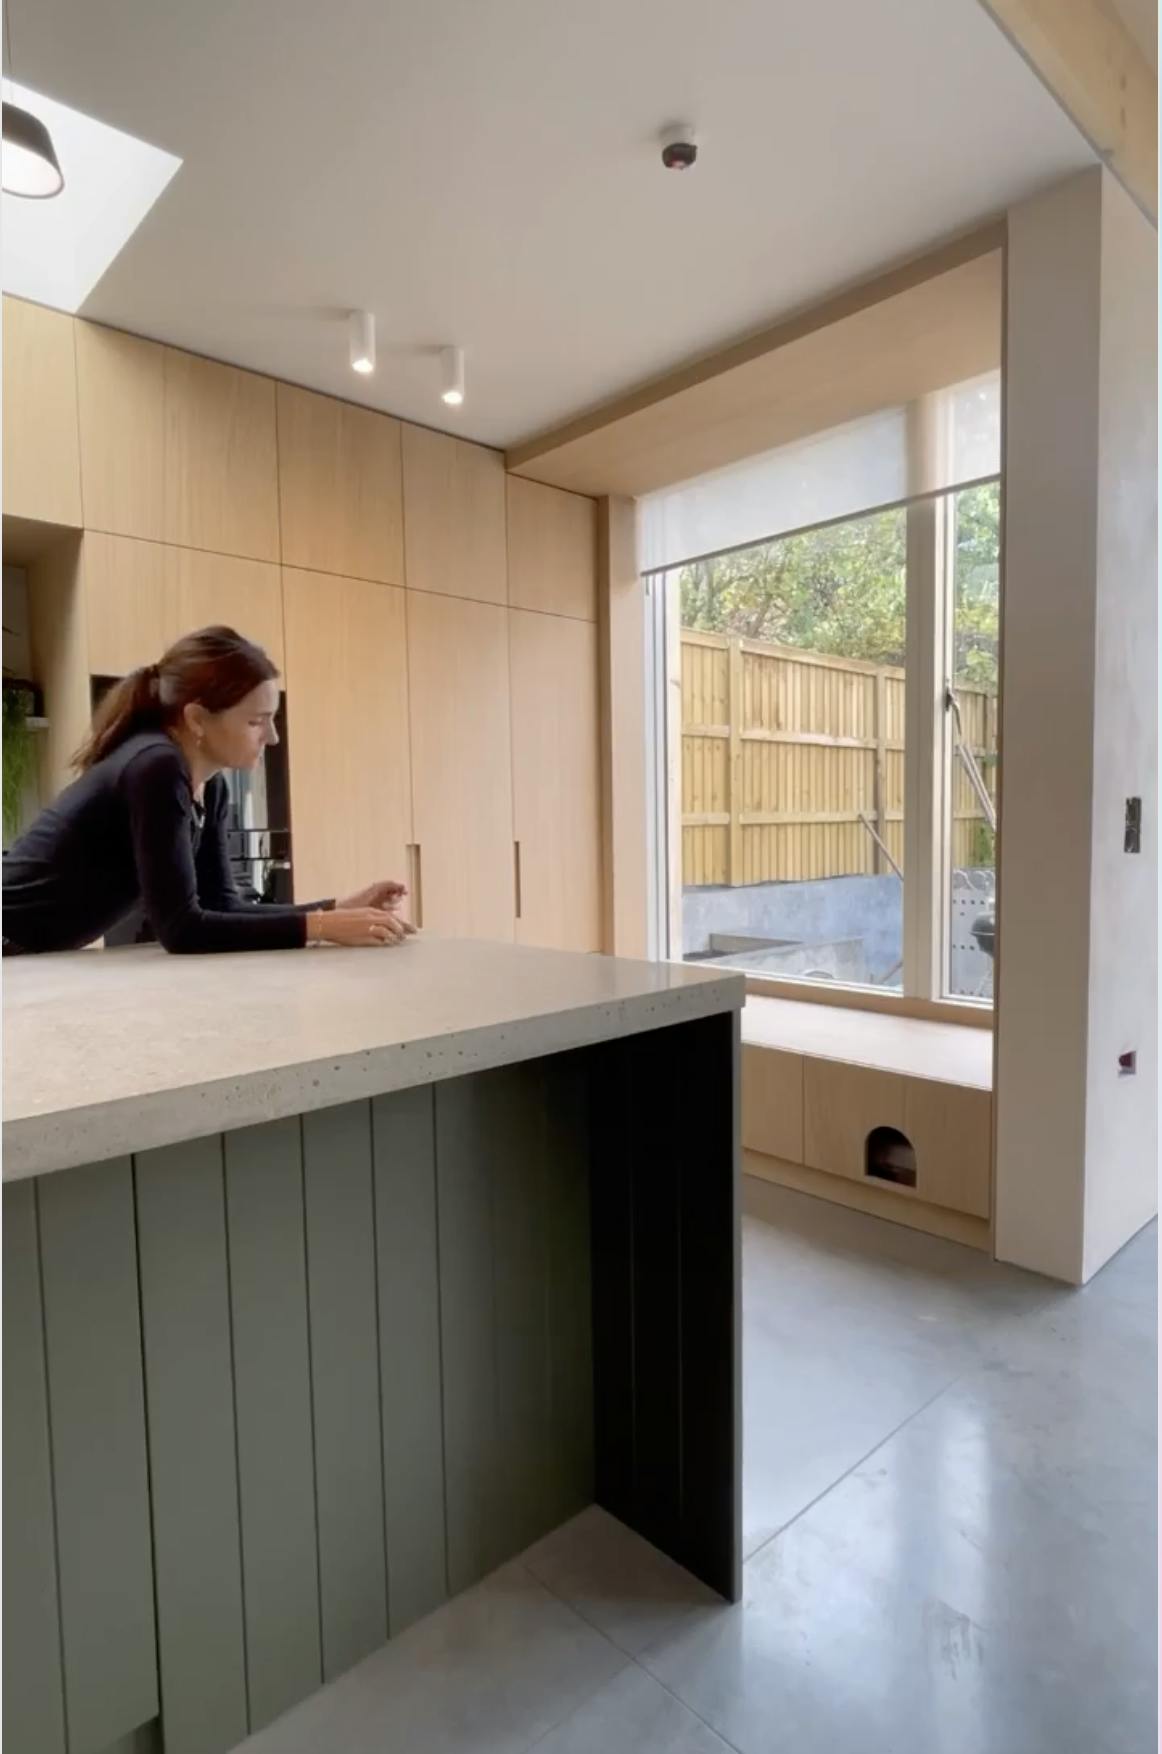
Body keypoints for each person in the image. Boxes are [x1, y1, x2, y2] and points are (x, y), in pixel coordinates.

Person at [2, 626, 415, 955]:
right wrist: (322, 927)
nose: (271, 737)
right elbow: (181, 930)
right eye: (256, 721)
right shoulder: (156, 766)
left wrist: (336, 909)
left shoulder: (210, 788)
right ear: (197, 719)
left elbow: (221, 905)